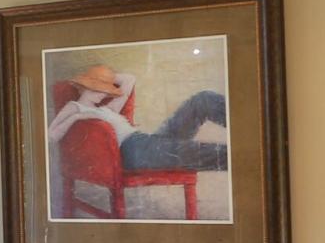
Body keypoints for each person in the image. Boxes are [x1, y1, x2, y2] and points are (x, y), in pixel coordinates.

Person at [48, 63, 228, 173]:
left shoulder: (109, 108)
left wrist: (104, 79)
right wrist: (77, 117)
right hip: (132, 151)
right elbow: (51, 135)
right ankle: (249, 157)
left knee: (203, 99)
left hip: (148, 142)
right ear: (82, 86)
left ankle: (249, 124)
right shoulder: (74, 107)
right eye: (95, 88)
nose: (102, 93)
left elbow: (129, 79)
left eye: (104, 89)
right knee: (219, 153)